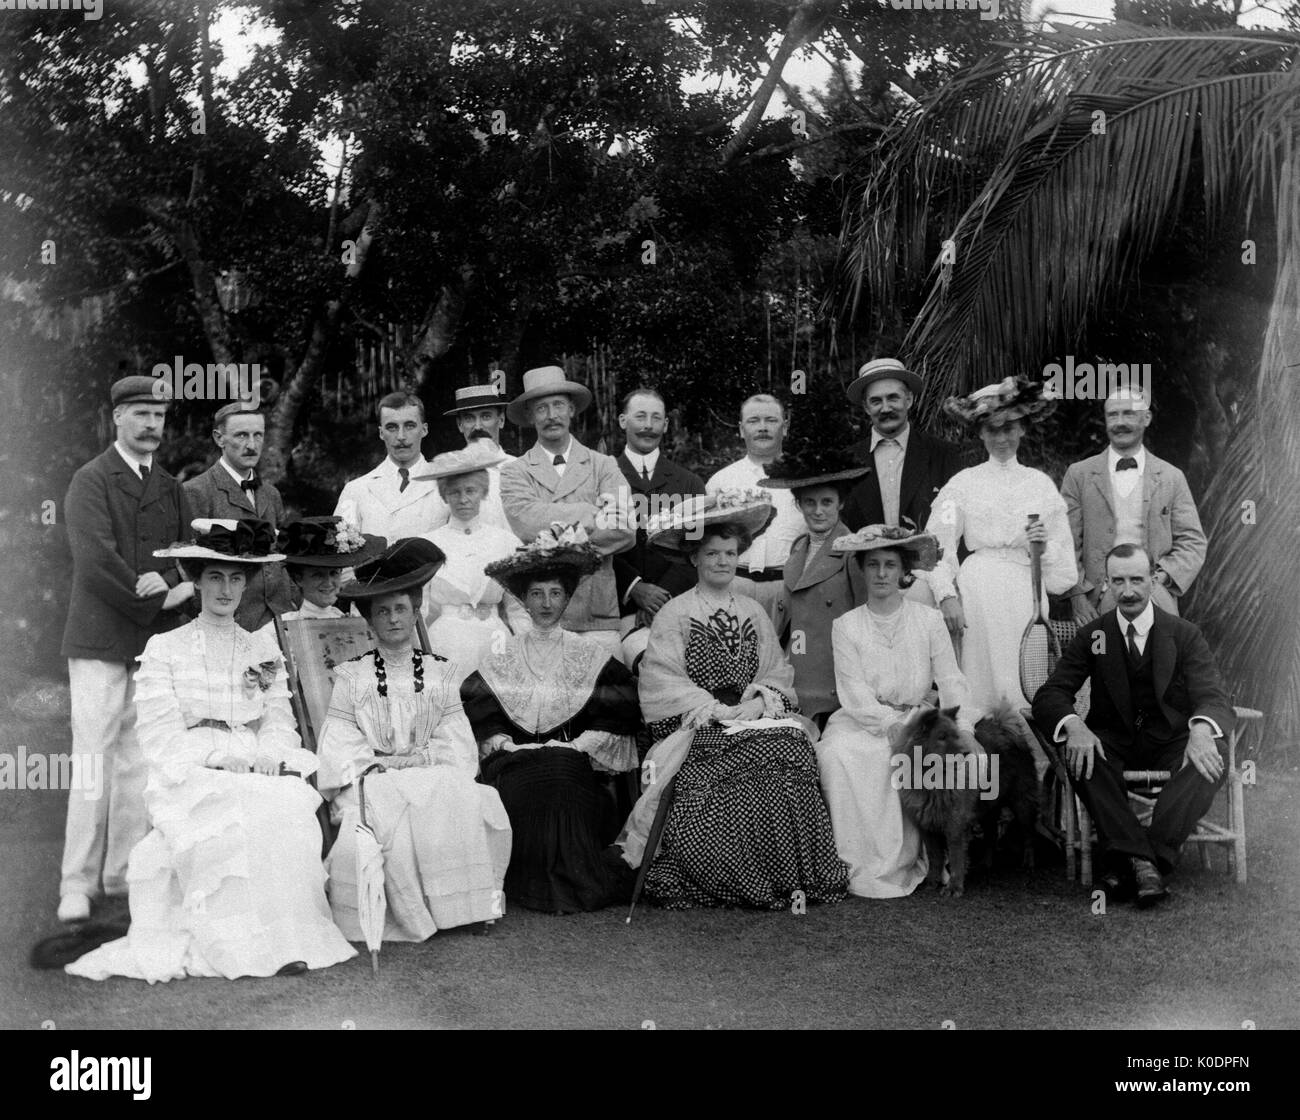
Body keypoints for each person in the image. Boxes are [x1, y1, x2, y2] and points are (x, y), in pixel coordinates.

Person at [65, 519, 357, 980]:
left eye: (237, 578)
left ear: (247, 583)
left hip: (252, 758)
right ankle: (235, 946)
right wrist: (215, 758)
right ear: (197, 582)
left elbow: (278, 720)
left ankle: (283, 941)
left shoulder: (261, 647)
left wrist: (269, 753)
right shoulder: (165, 648)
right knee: (232, 802)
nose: (226, 589)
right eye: (216, 577)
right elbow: (159, 737)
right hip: (190, 768)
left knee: (283, 799)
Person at [628, 493, 849, 910]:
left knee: (792, 746)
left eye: (730, 553)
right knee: (751, 754)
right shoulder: (675, 613)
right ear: (694, 558)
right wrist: (714, 710)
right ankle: (729, 874)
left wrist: (760, 702)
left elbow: (777, 670)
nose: (723, 562)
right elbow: (661, 680)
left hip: (752, 717)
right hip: (697, 726)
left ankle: (789, 878)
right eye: (712, 553)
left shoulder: (753, 610)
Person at [317, 538, 512, 941]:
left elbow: (455, 740)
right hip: (376, 777)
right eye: (382, 611)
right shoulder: (352, 677)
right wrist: (381, 764)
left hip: (428, 769)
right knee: (390, 800)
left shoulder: (440, 673)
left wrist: (424, 758)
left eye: (400, 609)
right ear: (370, 621)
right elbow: (339, 740)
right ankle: (416, 914)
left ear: (415, 611)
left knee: (453, 788)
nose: (392, 619)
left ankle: (461, 909)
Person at [57, 375, 195, 925]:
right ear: (117, 418)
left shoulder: (170, 487)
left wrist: (171, 582)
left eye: (158, 416)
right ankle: (77, 882)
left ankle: (122, 874)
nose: (151, 425)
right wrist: (155, 596)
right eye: (140, 414)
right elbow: (94, 558)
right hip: (98, 637)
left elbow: (184, 553)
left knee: (139, 761)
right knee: (93, 758)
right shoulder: (90, 479)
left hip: (150, 644)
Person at [1032, 544, 1234, 908]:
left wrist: (1201, 732)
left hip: (1173, 741)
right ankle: (1147, 864)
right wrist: (1074, 725)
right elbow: (1050, 695)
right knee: (1083, 757)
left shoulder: (1184, 634)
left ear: (1154, 579)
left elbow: (1214, 696)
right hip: (1113, 741)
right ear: (1106, 583)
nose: (1128, 591)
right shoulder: (1093, 635)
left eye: (1137, 580)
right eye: (1118, 581)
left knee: (1210, 760)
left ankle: (1132, 862)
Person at [461, 526, 640, 913]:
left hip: (573, 765)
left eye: (555, 593)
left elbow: (618, 715)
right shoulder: (499, 657)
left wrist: (574, 746)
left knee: (560, 768)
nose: (546, 603)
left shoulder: (590, 656)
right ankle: (543, 884)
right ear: (523, 600)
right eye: (537, 594)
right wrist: (508, 745)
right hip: (513, 763)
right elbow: (483, 717)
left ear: (567, 599)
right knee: (543, 771)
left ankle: (560, 886)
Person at [813, 526, 973, 897]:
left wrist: (960, 725)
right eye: (873, 565)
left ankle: (915, 860)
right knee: (839, 754)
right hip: (862, 719)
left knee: (922, 755)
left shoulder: (928, 620)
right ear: (862, 570)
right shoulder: (846, 626)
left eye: (889, 565)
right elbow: (853, 691)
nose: (882, 574)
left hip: (919, 718)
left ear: (903, 571)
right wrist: (887, 722)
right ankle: (854, 863)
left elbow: (950, 678)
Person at [921, 376, 1078, 717]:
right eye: (993, 429)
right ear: (980, 433)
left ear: (1022, 428)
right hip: (977, 591)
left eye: (1009, 428)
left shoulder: (1040, 485)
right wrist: (947, 595)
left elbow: (1063, 577)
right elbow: (934, 548)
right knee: (978, 692)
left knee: (1025, 686)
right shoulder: (962, 484)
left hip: (1026, 591)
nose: (1002, 437)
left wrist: (1043, 545)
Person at [498, 365, 635, 659]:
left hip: (597, 611)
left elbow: (624, 526)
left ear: (571, 409)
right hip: (542, 615)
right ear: (530, 416)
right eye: (541, 408)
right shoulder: (515, 472)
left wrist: (551, 537)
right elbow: (526, 524)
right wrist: (589, 511)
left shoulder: (604, 465)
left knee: (607, 698)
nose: (551, 415)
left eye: (558, 405)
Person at [1061, 388, 1207, 624]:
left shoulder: (1171, 477)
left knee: (1159, 660)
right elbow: (1065, 543)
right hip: (1097, 601)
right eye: (1113, 415)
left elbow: (1193, 541)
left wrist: (1159, 579)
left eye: (1128, 414)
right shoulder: (1079, 475)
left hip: (1155, 597)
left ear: (1146, 419)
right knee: (1105, 660)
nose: (1120, 423)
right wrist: (1077, 597)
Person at [758, 446, 869, 723]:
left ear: (840, 503)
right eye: (809, 502)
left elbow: (865, 619)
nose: (818, 511)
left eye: (827, 502)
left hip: (833, 679)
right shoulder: (799, 548)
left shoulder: (853, 551)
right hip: (796, 669)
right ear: (798, 505)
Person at [412, 445, 529, 678]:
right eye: (455, 492)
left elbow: (518, 609)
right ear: (444, 495)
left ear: (484, 492)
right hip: (447, 641)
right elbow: (419, 610)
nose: (463, 499)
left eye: (471, 490)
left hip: (496, 639)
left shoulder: (506, 541)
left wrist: (529, 650)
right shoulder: (427, 544)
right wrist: (420, 655)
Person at [184, 402, 295, 630]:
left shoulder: (270, 493)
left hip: (281, 618)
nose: (252, 445)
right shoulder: (197, 490)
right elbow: (187, 567)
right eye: (242, 435)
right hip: (231, 622)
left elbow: (283, 556)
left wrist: (294, 601)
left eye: (258, 435)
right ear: (219, 438)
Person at [705, 394, 808, 626]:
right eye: (753, 421)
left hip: (791, 588)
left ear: (785, 426)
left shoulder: (805, 479)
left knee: (789, 659)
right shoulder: (719, 482)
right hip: (733, 586)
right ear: (741, 429)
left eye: (771, 420)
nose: (762, 428)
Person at [612, 388, 706, 634]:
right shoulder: (602, 477)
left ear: (665, 425)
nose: (648, 426)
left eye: (656, 418)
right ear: (623, 421)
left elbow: (695, 549)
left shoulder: (689, 483)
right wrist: (635, 588)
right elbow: (595, 546)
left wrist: (659, 599)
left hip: (676, 608)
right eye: (640, 417)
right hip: (615, 609)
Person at [841, 358, 965, 535]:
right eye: (876, 401)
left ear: (909, 400)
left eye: (893, 398)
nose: (885, 409)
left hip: (929, 561)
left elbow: (955, 521)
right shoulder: (848, 461)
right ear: (866, 408)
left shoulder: (942, 454)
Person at [334, 391, 448, 541]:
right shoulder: (356, 490)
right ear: (381, 433)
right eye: (392, 427)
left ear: (424, 430)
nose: (401, 436)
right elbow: (342, 553)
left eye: (409, 426)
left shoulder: (448, 485)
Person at [272, 517, 387, 621]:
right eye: (318, 575)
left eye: (334, 573)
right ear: (298, 579)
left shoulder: (351, 621)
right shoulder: (284, 626)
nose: (328, 583)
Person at [443, 382, 517, 532]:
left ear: (501, 420)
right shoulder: (447, 472)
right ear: (459, 424)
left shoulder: (520, 468)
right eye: (469, 418)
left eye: (486, 416)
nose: (477, 426)